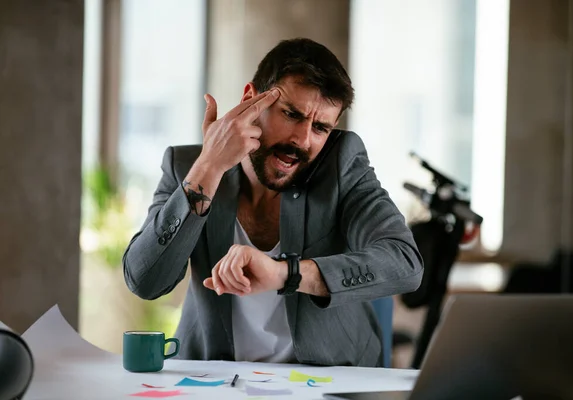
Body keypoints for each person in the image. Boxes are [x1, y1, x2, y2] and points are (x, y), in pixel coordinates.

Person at [122, 38, 423, 367]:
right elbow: (145, 280)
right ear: (251, 100)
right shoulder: (188, 167)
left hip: (327, 379)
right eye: (292, 114)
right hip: (217, 379)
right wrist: (210, 168)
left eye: (321, 127)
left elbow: (404, 263)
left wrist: (286, 273)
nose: (303, 140)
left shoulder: (341, 164)